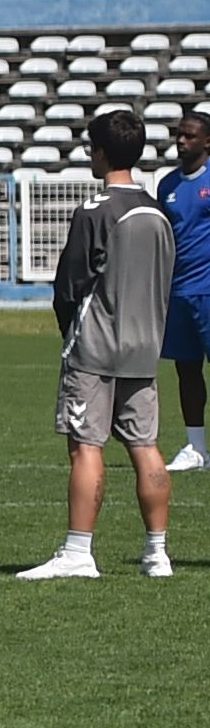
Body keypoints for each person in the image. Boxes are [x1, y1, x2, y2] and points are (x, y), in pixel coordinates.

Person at [27, 106, 180, 580]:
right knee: (145, 445)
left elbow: (69, 285)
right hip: (144, 347)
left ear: (99, 152)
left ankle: (78, 550)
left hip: (95, 345)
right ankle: (157, 553)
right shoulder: (159, 211)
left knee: (86, 446)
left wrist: (69, 332)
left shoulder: (95, 211)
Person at [162, 105, 210, 473]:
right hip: (179, 291)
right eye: (179, 134)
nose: (181, 141)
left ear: (207, 142)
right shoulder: (167, 185)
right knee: (187, 369)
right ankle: (196, 448)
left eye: (189, 135)